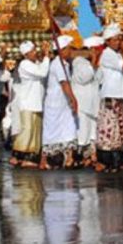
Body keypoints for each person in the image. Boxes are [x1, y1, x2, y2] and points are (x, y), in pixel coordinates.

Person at [41, 35, 79, 170]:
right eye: (69, 49)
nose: (71, 52)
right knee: (51, 131)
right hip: (55, 103)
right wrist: (73, 99)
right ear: (62, 49)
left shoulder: (65, 64)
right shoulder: (58, 64)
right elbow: (64, 84)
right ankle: (44, 159)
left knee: (69, 127)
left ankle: (69, 157)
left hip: (63, 103)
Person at [96, 23, 123, 173]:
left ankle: (118, 159)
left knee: (119, 127)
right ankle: (111, 161)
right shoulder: (108, 54)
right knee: (111, 127)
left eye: (119, 39)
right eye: (115, 40)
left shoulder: (115, 54)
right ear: (108, 41)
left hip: (119, 94)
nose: (118, 42)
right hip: (111, 95)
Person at [12, 40, 50, 168]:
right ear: (26, 53)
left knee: (35, 132)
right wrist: (46, 57)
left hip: (37, 102)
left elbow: (41, 69)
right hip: (28, 103)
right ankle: (17, 155)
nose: (35, 52)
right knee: (27, 130)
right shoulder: (24, 64)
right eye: (33, 51)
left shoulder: (35, 64)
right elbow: (42, 73)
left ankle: (31, 157)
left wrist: (43, 56)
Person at [71, 36, 103, 167]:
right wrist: (94, 61)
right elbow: (85, 77)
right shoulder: (78, 61)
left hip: (93, 102)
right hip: (83, 103)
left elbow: (99, 79)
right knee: (83, 130)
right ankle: (81, 156)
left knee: (93, 130)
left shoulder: (95, 63)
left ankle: (92, 155)